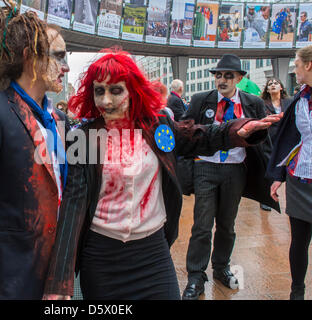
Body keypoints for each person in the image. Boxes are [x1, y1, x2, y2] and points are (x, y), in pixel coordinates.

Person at [42, 50, 282, 300]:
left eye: (116, 90)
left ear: (132, 91)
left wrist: (238, 129)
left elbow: (199, 135)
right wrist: (59, 283)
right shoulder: (86, 137)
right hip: (102, 259)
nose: (106, 101)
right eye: (99, 90)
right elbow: (73, 204)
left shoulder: (156, 126)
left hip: (152, 255)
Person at [0, 1, 71, 300]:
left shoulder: (58, 120)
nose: (66, 67)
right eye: (58, 56)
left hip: (55, 279)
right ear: (30, 58)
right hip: (12, 283)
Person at [180, 54, 281, 300]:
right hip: (205, 167)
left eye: (227, 76)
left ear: (239, 78)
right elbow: (185, 133)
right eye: (218, 75)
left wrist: (272, 174)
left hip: (236, 169)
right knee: (202, 225)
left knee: (227, 224)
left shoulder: (253, 102)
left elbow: (263, 141)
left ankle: (221, 267)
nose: (221, 80)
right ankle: (195, 275)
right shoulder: (200, 100)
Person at [268, 45, 312, 300]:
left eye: (296, 64)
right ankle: (297, 290)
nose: (294, 68)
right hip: (300, 178)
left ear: (308, 65)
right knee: (299, 239)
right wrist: (278, 175)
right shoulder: (299, 99)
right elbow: (289, 139)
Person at [259, 78, 292, 211]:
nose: (273, 85)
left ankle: (291, 199)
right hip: (268, 141)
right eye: (270, 84)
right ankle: (265, 199)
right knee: (267, 169)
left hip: (286, 141)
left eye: (275, 83)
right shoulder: (262, 104)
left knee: (289, 170)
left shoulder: (289, 103)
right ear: (267, 89)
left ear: (281, 88)